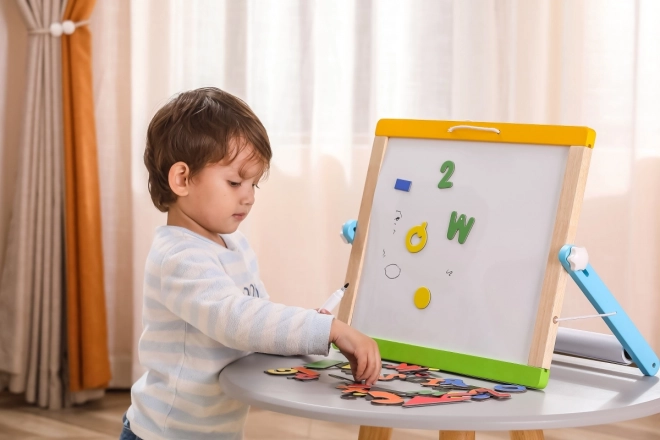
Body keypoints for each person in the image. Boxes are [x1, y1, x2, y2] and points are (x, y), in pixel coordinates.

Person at [120, 87, 381, 440]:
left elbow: (256, 319)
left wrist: (303, 334)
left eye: (254, 184)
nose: (248, 196)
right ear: (182, 179)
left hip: (218, 430)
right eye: (235, 182)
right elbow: (236, 320)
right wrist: (328, 329)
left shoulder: (233, 244)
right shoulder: (178, 257)